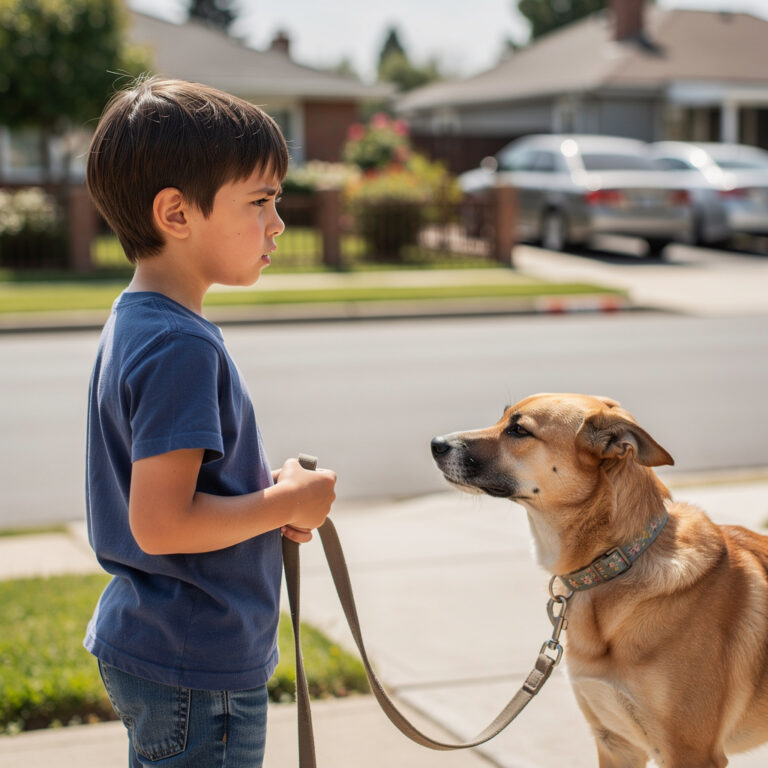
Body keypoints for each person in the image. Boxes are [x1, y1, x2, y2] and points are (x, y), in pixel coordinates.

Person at [83, 76, 337, 767]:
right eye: (260, 201)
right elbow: (161, 523)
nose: (277, 223)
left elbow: (188, 490)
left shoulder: (141, 320)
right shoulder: (181, 344)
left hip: (165, 648)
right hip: (193, 660)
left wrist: (267, 492)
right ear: (176, 213)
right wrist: (289, 502)